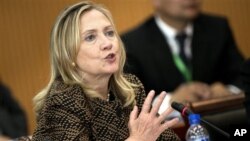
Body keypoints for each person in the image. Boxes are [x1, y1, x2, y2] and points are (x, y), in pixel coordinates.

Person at [32, 1, 180, 140]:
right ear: (68, 54)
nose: (107, 43)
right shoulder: (63, 101)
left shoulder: (129, 89)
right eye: (90, 37)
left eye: (109, 33)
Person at [121, 0, 245, 104]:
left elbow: (243, 75)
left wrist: (229, 90)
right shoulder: (131, 43)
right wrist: (170, 100)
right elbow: (130, 101)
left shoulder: (218, 28)